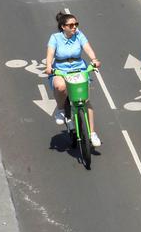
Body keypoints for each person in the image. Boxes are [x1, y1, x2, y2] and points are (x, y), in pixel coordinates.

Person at [44, 12, 102, 147]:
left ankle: (92, 133)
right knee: (60, 87)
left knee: (85, 101)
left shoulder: (79, 35)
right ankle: (60, 110)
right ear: (63, 27)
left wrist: (94, 60)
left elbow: (87, 48)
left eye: (76, 24)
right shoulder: (55, 38)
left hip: (79, 69)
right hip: (61, 70)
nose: (74, 27)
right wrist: (48, 66)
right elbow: (50, 54)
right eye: (71, 25)